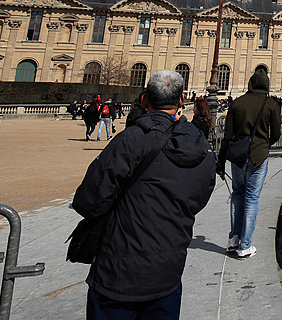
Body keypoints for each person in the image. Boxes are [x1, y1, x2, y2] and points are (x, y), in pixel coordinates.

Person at [72, 70, 214, 320]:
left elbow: (88, 201)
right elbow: (199, 200)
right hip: (168, 269)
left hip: (117, 269)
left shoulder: (128, 141)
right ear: (182, 100)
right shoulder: (200, 148)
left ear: (145, 100)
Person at [221, 68, 281, 258]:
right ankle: (245, 245)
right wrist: (264, 145)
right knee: (252, 198)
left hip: (238, 156)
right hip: (258, 156)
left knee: (237, 194)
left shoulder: (236, 104)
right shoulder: (271, 104)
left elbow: (227, 137)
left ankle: (233, 239)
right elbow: (277, 133)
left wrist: (220, 162)